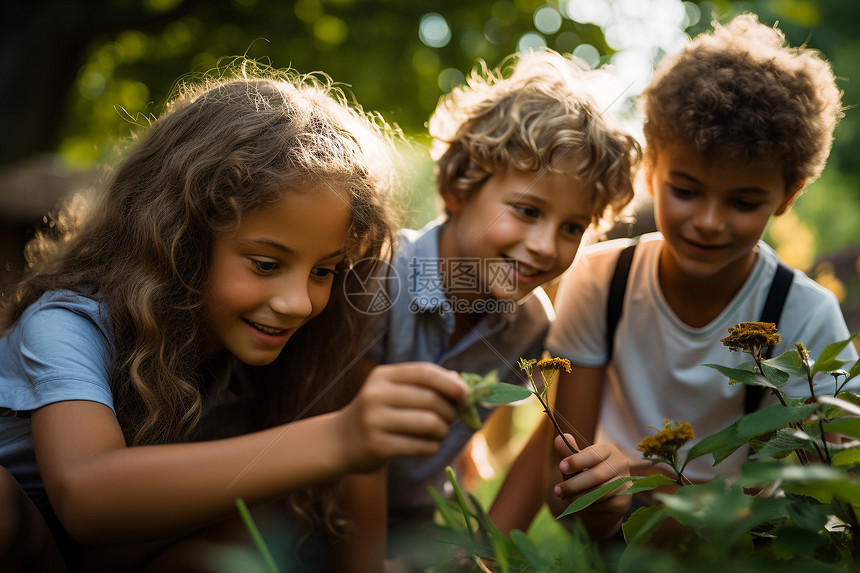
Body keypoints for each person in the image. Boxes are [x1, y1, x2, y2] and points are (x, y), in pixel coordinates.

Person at [0, 63, 473, 573]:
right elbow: (87, 496)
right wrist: (340, 438)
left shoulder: (273, 360)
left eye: (324, 270)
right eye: (266, 264)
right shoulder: (69, 324)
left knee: (263, 517)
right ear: (181, 241)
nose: (298, 302)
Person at [543, 12, 858, 518]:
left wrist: (655, 496)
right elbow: (565, 478)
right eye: (686, 191)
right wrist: (603, 502)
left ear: (788, 195)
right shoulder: (601, 279)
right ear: (651, 170)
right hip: (613, 527)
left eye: (743, 202)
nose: (709, 222)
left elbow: (814, 497)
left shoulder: (807, 318)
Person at [347, 49, 642, 567]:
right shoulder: (378, 280)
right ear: (458, 187)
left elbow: (540, 440)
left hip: (410, 527)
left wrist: (481, 558)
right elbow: (354, 458)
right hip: (318, 516)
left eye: (572, 227)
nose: (547, 246)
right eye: (527, 210)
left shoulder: (530, 326)